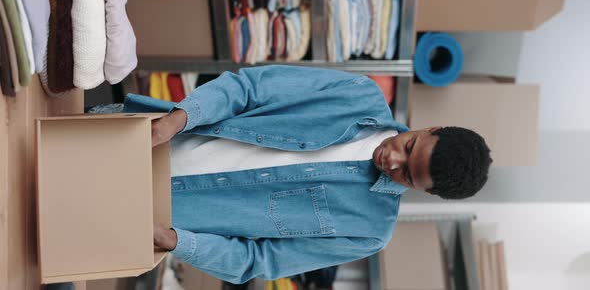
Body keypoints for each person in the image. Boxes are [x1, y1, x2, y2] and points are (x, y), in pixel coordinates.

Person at [122, 65, 492, 284]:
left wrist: (174, 241)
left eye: (407, 176)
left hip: (144, 219)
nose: (392, 161)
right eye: (408, 147)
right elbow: (248, 88)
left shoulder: (368, 233)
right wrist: (175, 121)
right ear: (431, 128)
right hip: (141, 139)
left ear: (423, 192)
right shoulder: (358, 94)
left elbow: (258, 262)